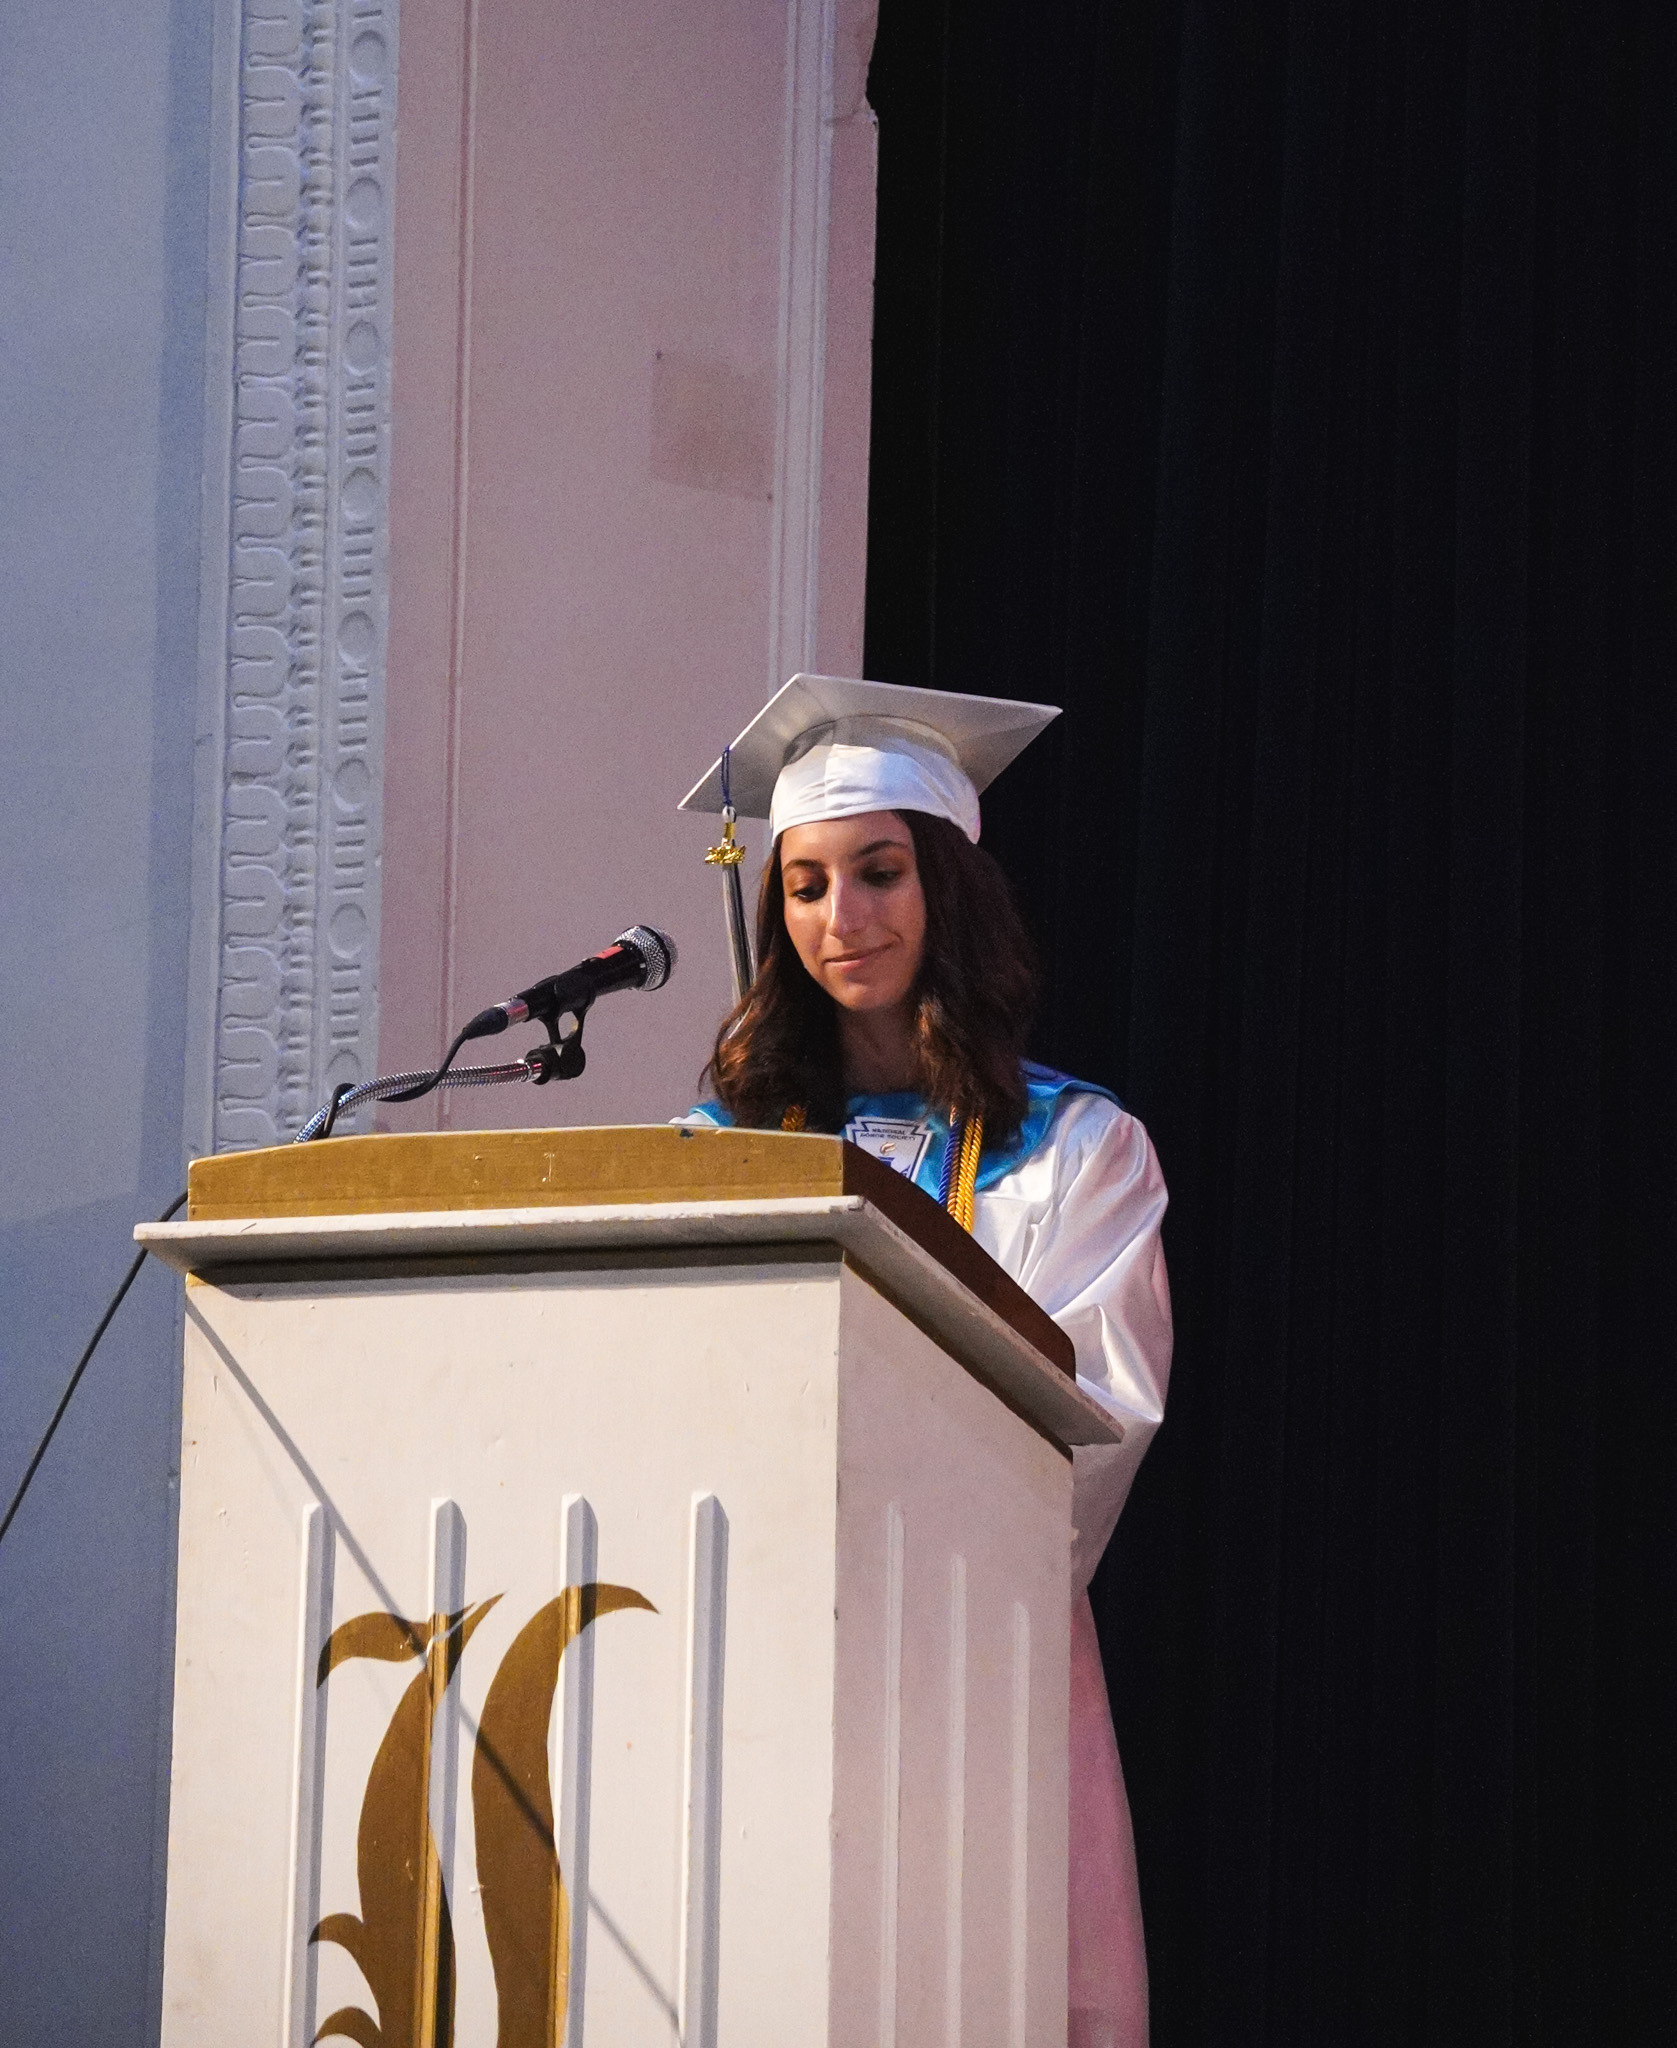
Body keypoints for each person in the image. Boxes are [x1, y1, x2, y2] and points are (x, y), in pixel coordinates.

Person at [678, 676, 1173, 2048]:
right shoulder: (726, 1152)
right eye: (806, 885)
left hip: (974, 1640)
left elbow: (1102, 1415)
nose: (845, 919)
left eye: (881, 874)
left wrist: (912, 1563)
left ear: (946, 885)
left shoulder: (1079, 1151)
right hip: (751, 1637)